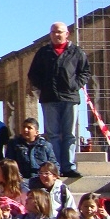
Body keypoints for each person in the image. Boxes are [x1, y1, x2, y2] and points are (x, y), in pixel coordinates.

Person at [27, 22, 90, 178]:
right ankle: (55, 166)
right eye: (53, 32)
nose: (56, 34)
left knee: (69, 134)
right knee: (52, 134)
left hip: (70, 98)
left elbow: (85, 72)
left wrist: (74, 85)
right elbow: (33, 74)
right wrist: (44, 86)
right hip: (49, 98)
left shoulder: (76, 52)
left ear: (67, 34)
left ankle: (69, 166)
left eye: (60, 32)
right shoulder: (43, 52)